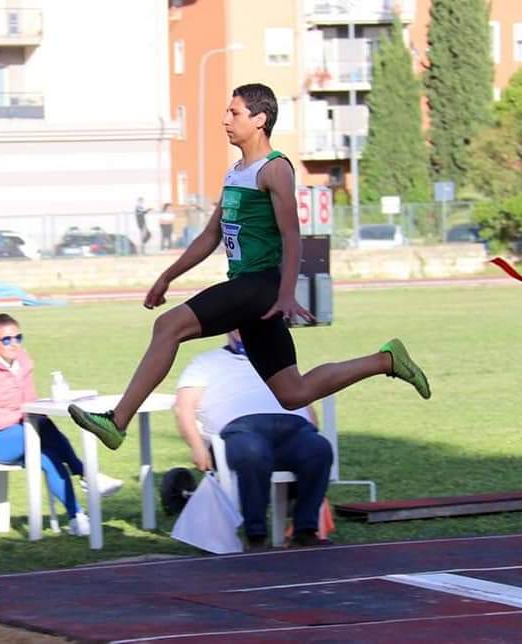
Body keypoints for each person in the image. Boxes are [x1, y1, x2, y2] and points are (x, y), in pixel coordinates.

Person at [69, 83, 430, 450]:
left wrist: (287, 293)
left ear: (260, 119)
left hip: (261, 287)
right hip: (251, 291)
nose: (225, 120)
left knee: (168, 326)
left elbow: (292, 235)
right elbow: (210, 235)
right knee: (292, 393)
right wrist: (167, 277)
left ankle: (118, 421)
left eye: (235, 113)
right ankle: (387, 360)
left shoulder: (275, 169)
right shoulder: (235, 172)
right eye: (227, 112)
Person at [0, 313, 122, 537]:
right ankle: (87, 475)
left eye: (18, 338)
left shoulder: (22, 362)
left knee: (47, 453)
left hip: (19, 432)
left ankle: (76, 517)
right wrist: (22, 414)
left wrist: (32, 411)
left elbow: (31, 402)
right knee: (36, 429)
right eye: (6, 340)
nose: (14, 344)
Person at [174, 330, 333, 548]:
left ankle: (305, 531)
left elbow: (304, 401)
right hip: (242, 430)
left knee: (319, 448)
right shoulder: (205, 362)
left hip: (294, 429)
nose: (242, 330)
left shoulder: (279, 360)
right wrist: (197, 446)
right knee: (253, 453)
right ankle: (256, 535)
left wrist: (311, 429)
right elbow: (183, 407)